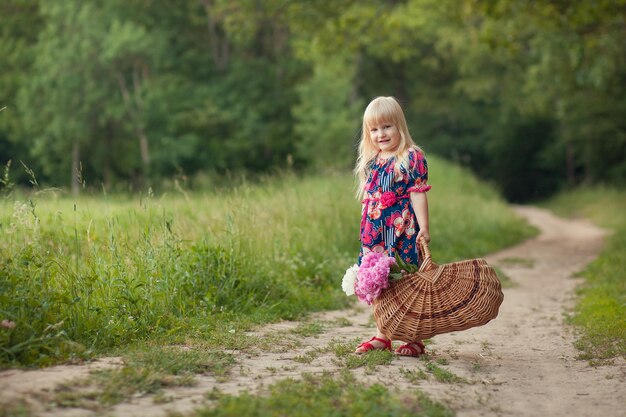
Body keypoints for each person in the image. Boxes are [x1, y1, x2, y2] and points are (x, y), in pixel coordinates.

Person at [353, 96, 431, 357]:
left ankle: (414, 337)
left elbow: (418, 192)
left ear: (399, 125)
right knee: (378, 283)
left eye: (386, 127)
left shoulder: (410, 156)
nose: (380, 134)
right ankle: (382, 334)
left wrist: (424, 227)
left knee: (407, 280)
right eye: (374, 129)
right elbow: (369, 198)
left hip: (402, 231)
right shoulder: (372, 160)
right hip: (375, 233)